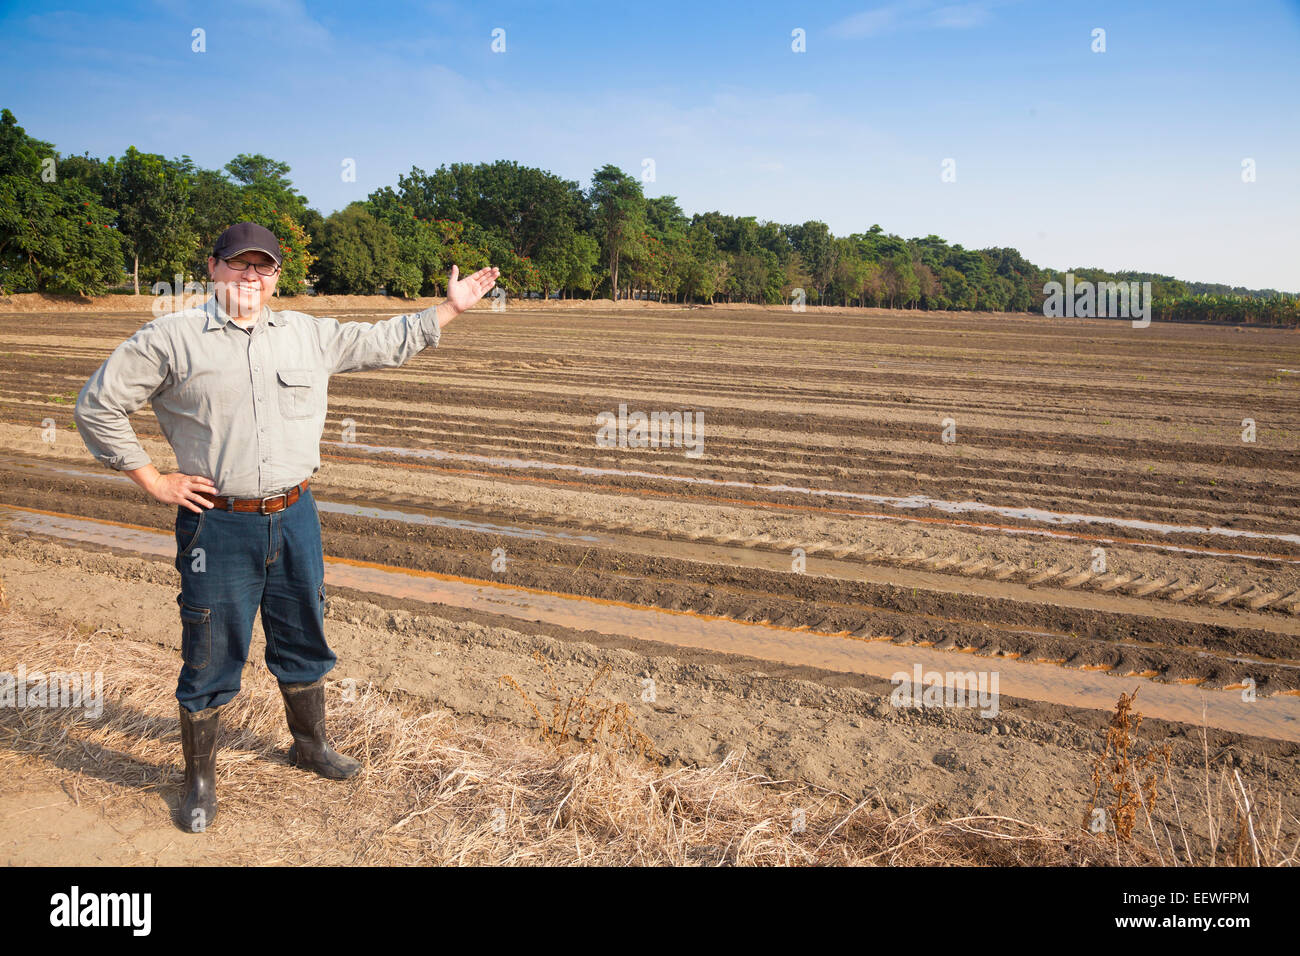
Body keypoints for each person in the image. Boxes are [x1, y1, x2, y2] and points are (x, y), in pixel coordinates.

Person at [73, 221, 499, 832]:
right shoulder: (171, 338)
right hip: (216, 526)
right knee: (210, 651)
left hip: (296, 515)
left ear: (276, 275)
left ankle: (310, 746)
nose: (251, 276)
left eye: (263, 267)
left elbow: (384, 340)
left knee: (304, 634)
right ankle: (197, 782)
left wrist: (449, 310)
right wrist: (155, 480)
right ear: (213, 269)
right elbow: (97, 405)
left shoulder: (306, 334)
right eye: (238, 264)